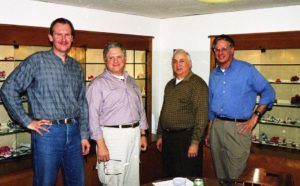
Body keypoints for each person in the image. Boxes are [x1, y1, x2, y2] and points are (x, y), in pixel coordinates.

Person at [0, 18, 90, 186]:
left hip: (74, 131)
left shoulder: (76, 67)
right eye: (58, 34)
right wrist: (27, 121)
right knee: (45, 182)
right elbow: (8, 89)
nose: (63, 39)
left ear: (72, 38)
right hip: (47, 133)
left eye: (67, 35)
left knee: (77, 182)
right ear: (50, 37)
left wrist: (84, 134)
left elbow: (82, 102)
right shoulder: (36, 61)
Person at [205, 34, 275, 184]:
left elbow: (269, 92)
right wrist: (209, 130)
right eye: (216, 49)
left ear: (232, 50)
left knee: (235, 176)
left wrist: (255, 116)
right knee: (221, 175)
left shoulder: (247, 70)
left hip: (238, 128)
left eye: (224, 49)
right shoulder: (213, 74)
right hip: (217, 127)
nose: (220, 53)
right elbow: (211, 104)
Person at [86, 42, 148, 186]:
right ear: (105, 60)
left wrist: (143, 134)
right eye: (111, 58)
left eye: (119, 57)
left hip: (134, 135)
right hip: (112, 137)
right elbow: (92, 117)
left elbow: (141, 109)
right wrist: (101, 145)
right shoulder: (98, 84)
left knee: (132, 179)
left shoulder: (132, 81)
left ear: (124, 59)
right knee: (113, 179)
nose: (116, 61)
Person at [156, 49, 208, 177]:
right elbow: (164, 110)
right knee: (169, 174)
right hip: (168, 139)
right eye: (175, 61)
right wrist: (160, 134)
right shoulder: (170, 84)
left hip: (186, 139)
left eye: (182, 61)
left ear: (189, 64)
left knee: (186, 176)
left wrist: (195, 143)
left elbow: (202, 116)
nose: (178, 64)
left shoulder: (197, 84)